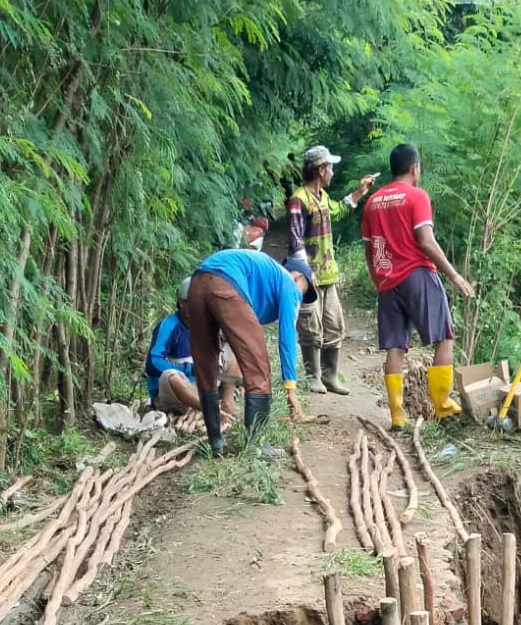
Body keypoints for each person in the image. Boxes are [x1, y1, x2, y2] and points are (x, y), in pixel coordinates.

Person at [361, 143, 476, 430]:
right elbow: (425, 241)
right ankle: (442, 405)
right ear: (415, 168)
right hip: (417, 274)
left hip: (387, 280)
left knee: (396, 347)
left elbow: (369, 248)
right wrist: (455, 276)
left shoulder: (373, 201)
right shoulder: (416, 196)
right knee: (444, 337)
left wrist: (378, 279)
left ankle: (397, 415)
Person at [186, 249, 315, 455]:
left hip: (197, 283)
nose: (299, 297)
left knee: (205, 363)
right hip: (226, 281)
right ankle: (256, 446)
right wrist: (291, 389)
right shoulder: (289, 284)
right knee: (258, 364)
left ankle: (215, 443)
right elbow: (287, 337)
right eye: (303, 289)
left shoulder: (263, 278)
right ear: (296, 276)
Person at [287, 145, 376, 395]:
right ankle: (313, 376)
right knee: (310, 326)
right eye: (330, 167)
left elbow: (338, 210)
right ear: (320, 169)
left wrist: (359, 192)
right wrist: (305, 269)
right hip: (308, 277)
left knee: (334, 324)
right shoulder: (299, 199)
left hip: (328, 274)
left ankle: (330, 376)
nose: (333, 172)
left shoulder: (323, 198)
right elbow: (295, 237)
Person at [144, 277, 241, 421]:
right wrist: (189, 369)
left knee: (233, 350)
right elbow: (152, 363)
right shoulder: (169, 326)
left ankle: (227, 403)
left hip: (201, 386)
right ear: (182, 303)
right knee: (171, 376)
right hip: (174, 393)